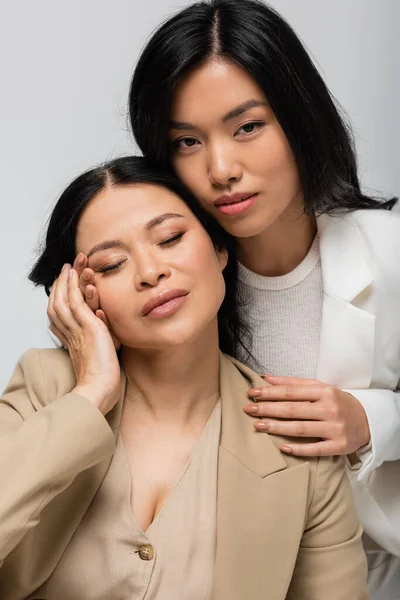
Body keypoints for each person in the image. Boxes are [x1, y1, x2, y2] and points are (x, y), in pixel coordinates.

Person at [124, 1, 399, 598]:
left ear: (299, 117)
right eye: (187, 141)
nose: (221, 168)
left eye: (247, 126)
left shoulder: (390, 253)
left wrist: (371, 420)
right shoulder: (168, 283)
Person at [0, 156, 368, 599]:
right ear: (79, 295)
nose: (151, 272)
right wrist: (92, 390)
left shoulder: (296, 440)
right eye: (113, 264)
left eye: (170, 238)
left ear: (219, 249)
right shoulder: (46, 387)